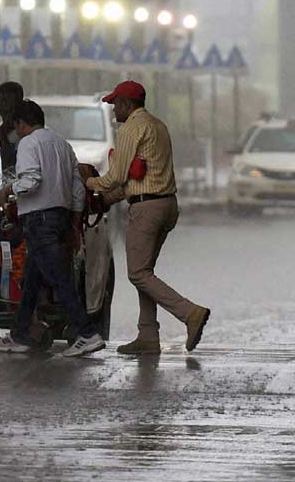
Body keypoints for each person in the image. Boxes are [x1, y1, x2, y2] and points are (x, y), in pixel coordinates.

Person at [84, 81, 210, 354]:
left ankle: (190, 313)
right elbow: (137, 177)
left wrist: (90, 184)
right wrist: (109, 199)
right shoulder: (157, 126)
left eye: (116, 104)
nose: (113, 109)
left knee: (138, 273)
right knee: (145, 272)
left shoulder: (131, 128)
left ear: (127, 105)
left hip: (147, 209)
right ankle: (148, 336)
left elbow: (116, 176)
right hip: (166, 205)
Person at [0, 100, 104, 356]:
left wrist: (9, 189)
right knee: (31, 280)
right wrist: (74, 224)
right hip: (60, 218)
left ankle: (87, 333)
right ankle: (20, 334)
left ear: (21, 123)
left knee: (60, 279)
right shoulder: (62, 144)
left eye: (16, 125)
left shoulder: (28, 143)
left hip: (39, 220)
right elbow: (77, 188)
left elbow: (31, 180)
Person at [0, 81, 24, 223]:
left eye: (10, 102)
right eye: (2, 101)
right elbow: (8, 172)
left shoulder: (24, 132)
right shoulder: (2, 131)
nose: (4, 106)